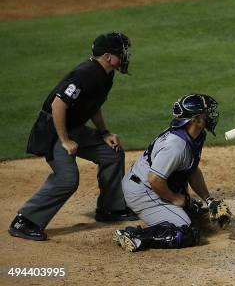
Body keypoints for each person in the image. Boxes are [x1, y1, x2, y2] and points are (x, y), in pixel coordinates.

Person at [8, 32, 138, 241]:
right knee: (67, 179)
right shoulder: (85, 74)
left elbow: (94, 105)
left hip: (74, 128)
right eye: (120, 52)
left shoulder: (106, 74)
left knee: (112, 154)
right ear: (107, 56)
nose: (124, 56)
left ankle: (110, 209)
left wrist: (104, 133)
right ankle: (25, 221)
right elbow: (58, 105)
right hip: (53, 130)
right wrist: (65, 140)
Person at [113, 93, 231, 252]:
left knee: (196, 216)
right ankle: (135, 236)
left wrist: (209, 200)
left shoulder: (196, 135)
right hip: (143, 191)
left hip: (150, 185)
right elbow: (154, 179)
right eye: (205, 113)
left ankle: (169, 211)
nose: (209, 116)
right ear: (194, 120)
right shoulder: (176, 146)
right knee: (187, 232)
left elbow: (192, 169)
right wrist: (175, 198)